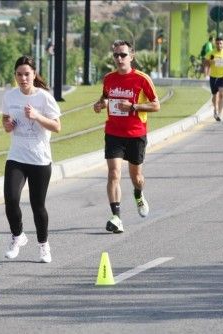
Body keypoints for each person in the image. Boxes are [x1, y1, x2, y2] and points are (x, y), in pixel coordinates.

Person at [93, 40, 160, 233]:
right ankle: (116, 217)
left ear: (132, 56)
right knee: (114, 173)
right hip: (114, 132)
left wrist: (134, 107)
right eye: (116, 55)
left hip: (136, 134)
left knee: (136, 177)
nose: (119, 59)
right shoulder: (109, 78)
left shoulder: (142, 79)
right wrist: (100, 104)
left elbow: (156, 105)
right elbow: (105, 97)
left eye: (123, 55)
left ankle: (138, 195)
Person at [1, 55, 61, 263]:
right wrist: (8, 126)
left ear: (34, 74)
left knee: (38, 206)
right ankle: (18, 236)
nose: (23, 78)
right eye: (19, 74)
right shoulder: (10, 96)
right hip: (16, 157)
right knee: (10, 199)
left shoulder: (44, 98)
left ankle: (44, 245)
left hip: (39, 159)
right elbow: (5, 120)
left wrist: (36, 116)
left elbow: (57, 126)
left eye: (27, 74)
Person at [204, 36, 223, 121]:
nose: (219, 45)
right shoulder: (211, 53)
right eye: (217, 43)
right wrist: (206, 73)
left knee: (222, 93)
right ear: (215, 44)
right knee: (215, 95)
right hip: (213, 76)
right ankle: (215, 109)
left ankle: (220, 113)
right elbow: (206, 63)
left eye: (221, 43)